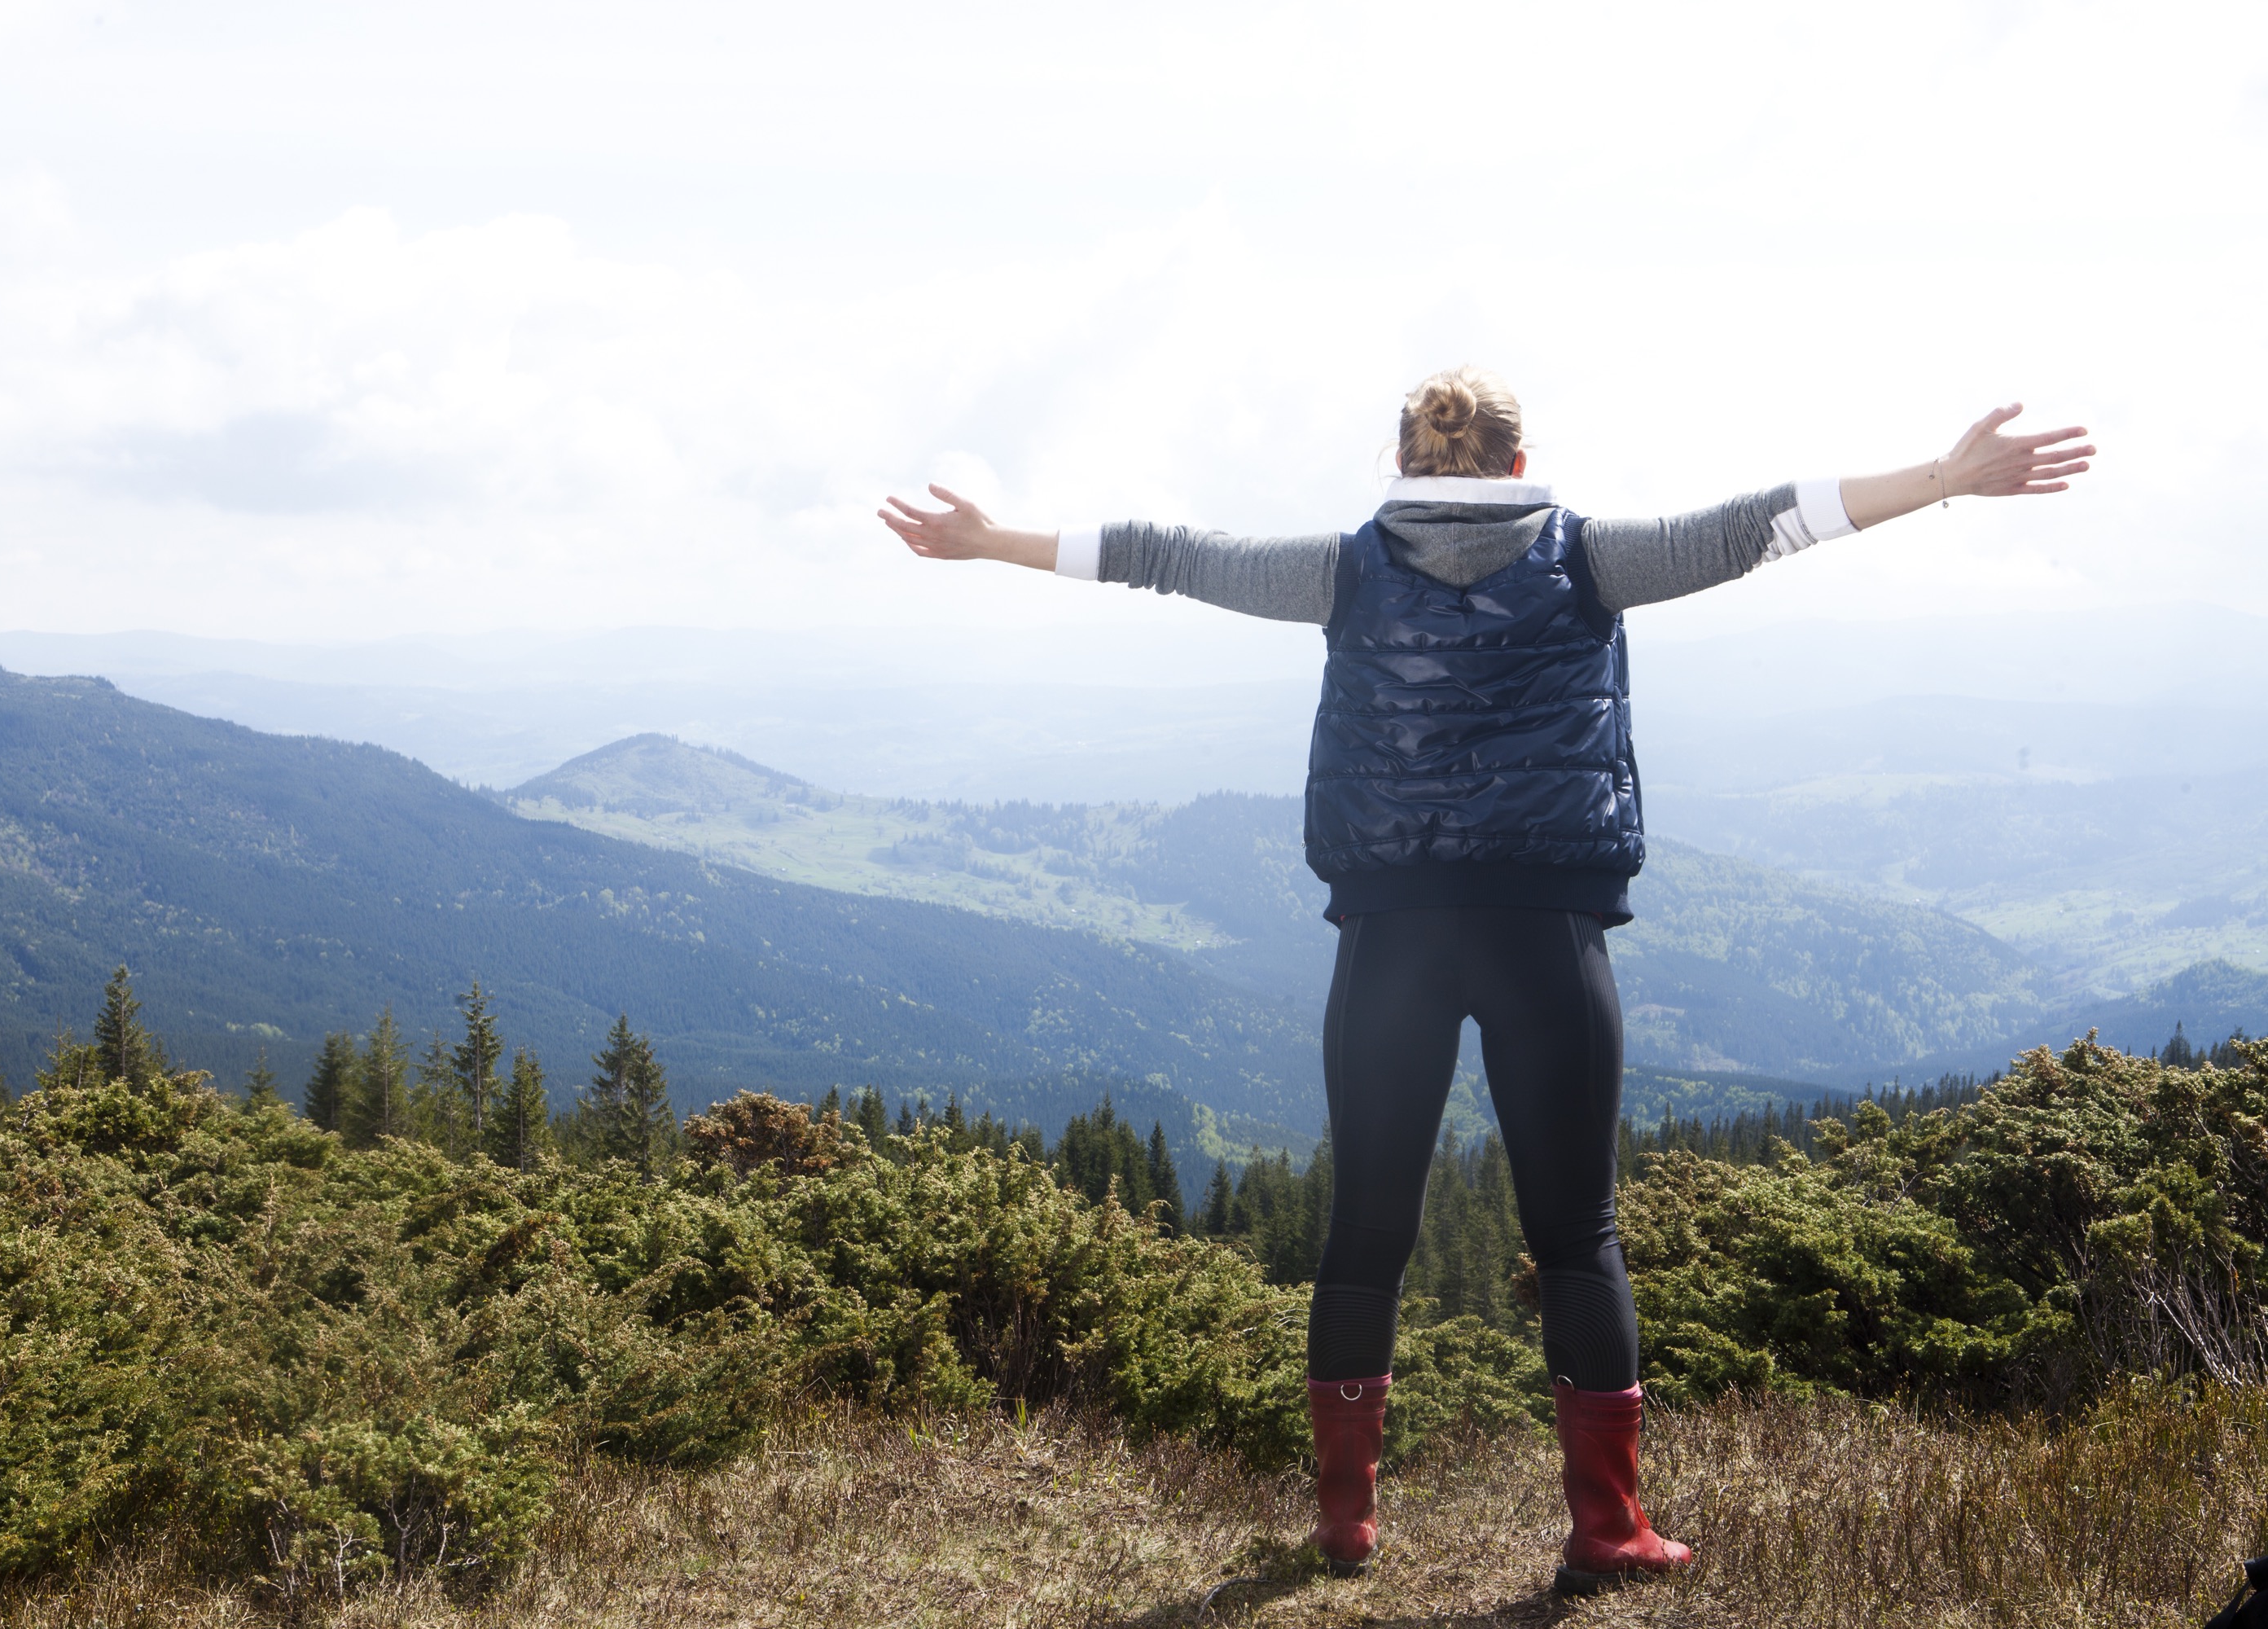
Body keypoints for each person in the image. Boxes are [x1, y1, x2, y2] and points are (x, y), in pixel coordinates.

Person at [880, 367, 2093, 1591]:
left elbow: (1169, 556)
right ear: (1520, 463)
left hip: (1390, 937)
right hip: (1545, 932)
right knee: (1578, 1236)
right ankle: (1608, 1530)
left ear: (1404, 462)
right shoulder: (1593, 559)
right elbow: (1758, 526)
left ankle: (1346, 1525)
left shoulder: (1341, 571)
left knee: (1365, 1234)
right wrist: (1947, 477)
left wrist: (992, 540)